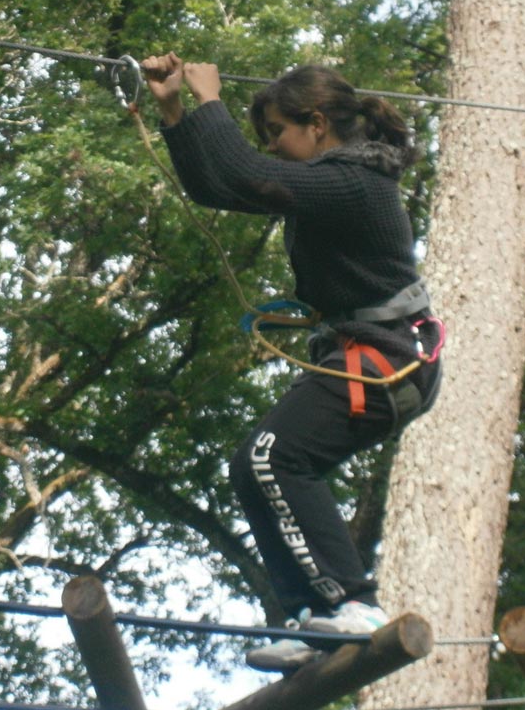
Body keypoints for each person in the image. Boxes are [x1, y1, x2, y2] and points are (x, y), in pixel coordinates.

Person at [141, 52, 443, 672]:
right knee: (253, 467)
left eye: (278, 131)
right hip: (369, 356)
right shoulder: (327, 184)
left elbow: (248, 174)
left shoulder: (356, 182)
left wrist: (210, 100)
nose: (272, 147)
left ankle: (354, 604)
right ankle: (311, 618)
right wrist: (173, 113)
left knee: (272, 457)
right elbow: (217, 185)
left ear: (317, 124)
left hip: (388, 357)